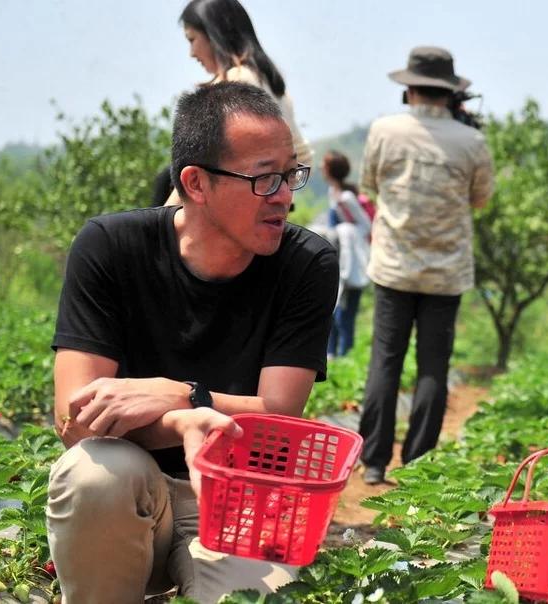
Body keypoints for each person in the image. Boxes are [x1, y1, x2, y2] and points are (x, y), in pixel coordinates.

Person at [46, 82, 338, 604]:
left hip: (242, 503)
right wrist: (182, 420)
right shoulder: (110, 248)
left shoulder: (305, 264)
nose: (286, 197)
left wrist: (181, 393)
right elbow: (75, 422)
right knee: (96, 475)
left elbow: (278, 414)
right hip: (133, 500)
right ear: (196, 184)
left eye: (290, 174)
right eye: (265, 178)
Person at [356, 46, 494, 485]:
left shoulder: (384, 130)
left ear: (409, 89)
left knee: (385, 360)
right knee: (433, 365)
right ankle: (417, 463)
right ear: (451, 93)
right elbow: (480, 198)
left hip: (394, 266)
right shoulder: (471, 141)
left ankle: (374, 461)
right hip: (445, 271)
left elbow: (370, 184)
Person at [159, 0, 313, 205]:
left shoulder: (233, 85)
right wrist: (276, 190)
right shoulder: (274, 86)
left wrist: (163, 221)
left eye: (192, 39)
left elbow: (200, 165)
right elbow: (302, 157)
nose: (192, 53)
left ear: (213, 35)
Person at [320, 150, 372, 358]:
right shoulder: (333, 193)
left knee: (345, 314)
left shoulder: (347, 197)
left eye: (325, 165)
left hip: (350, 260)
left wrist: (343, 232)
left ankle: (345, 356)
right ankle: (332, 355)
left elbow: (365, 226)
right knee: (332, 310)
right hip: (338, 256)